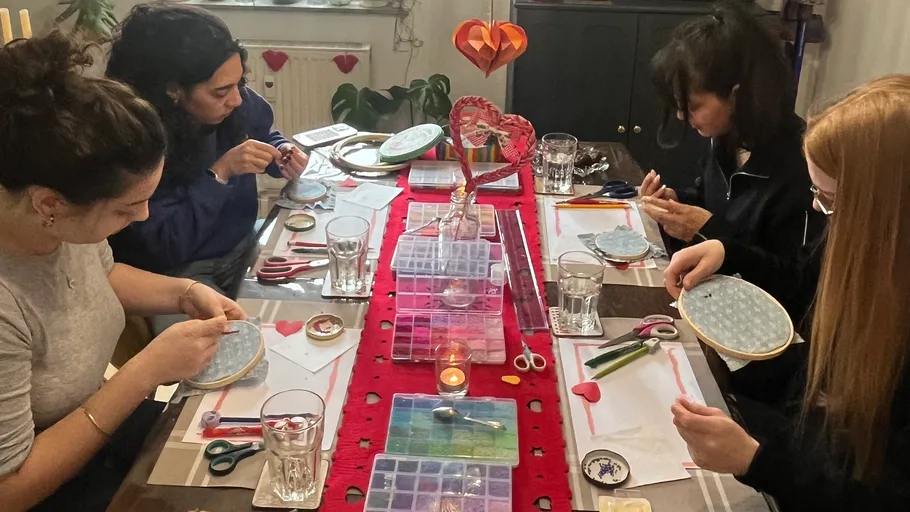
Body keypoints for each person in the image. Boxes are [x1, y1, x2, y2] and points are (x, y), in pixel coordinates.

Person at [0, 33, 247, 511]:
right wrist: (145, 372)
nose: (144, 218)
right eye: (127, 208)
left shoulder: (56, 224)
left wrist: (184, 292)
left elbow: (103, 277)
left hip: (98, 431)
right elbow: (10, 489)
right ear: (49, 204)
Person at [664, 75, 910, 510]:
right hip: (806, 443)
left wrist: (757, 460)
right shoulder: (861, 251)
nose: (816, 207)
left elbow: (884, 492)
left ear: (888, 213)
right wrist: (728, 251)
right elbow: (806, 299)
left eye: (831, 198)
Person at [105, 4, 308, 325]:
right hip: (179, 277)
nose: (237, 99)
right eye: (221, 91)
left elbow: (263, 132)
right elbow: (165, 246)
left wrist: (279, 152)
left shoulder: (233, 102)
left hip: (244, 246)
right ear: (173, 91)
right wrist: (220, 173)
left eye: (239, 84)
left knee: (314, 296)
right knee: (230, 355)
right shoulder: (135, 141)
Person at [641, 0, 825, 305]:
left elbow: (798, 283)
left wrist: (707, 230)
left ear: (738, 95)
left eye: (693, 106)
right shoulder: (725, 138)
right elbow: (715, 202)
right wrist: (676, 205)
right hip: (713, 300)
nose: (681, 116)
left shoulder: (802, 166)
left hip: (762, 327)